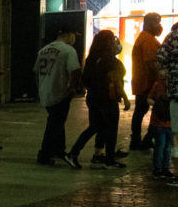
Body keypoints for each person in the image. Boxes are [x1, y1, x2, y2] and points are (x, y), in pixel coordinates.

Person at [67, 30, 126, 170]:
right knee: (111, 128)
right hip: (106, 98)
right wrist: (124, 97)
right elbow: (114, 80)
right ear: (108, 42)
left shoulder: (91, 58)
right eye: (112, 40)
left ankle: (75, 153)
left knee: (96, 126)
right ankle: (109, 160)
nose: (115, 43)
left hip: (93, 97)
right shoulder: (109, 59)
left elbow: (86, 79)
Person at [34, 27, 82, 167]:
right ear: (67, 34)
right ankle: (44, 154)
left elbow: (35, 72)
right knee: (54, 124)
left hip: (46, 92)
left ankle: (59, 150)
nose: (74, 38)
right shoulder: (68, 50)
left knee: (57, 122)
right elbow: (75, 70)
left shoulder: (43, 50)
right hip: (60, 92)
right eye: (74, 34)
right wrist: (72, 89)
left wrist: (40, 89)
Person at [129, 12, 163, 150]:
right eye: (157, 23)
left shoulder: (145, 38)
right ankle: (140, 140)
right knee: (146, 111)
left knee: (141, 111)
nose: (159, 26)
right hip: (147, 83)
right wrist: (161, 81)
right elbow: (151, 63)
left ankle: (141, 140)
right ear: (148, 23)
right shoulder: (148, 40)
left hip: (142, 81)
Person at [156, 20, 178, 171]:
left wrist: (165, 70)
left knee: (177, 135)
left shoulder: (172, 37)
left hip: (177, 93)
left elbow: (159, 61)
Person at [148, 75, 174, 180]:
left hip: (167, 122)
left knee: (165, 147)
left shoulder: (159, 83)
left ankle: (163, 168)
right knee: (162, 146)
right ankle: (160, 168)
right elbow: (149, 99)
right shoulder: (159, 84)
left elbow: (149, 99)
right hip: (161, 122)